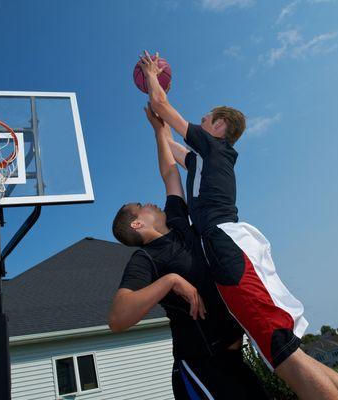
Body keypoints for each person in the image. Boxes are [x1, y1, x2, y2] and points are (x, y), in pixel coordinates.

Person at [138, 50, 338, 400]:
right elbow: (168, 145)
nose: (201, 120)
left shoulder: (214, 148)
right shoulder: (202, 160)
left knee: (280, 353)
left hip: (227, 245)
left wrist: (152, 75)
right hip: (228, 245)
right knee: (287, 351)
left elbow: (163, 104)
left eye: (207, 118)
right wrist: (157, 127)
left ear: (220, 127)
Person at [108, 104, 270, 399]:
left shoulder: (178, 224)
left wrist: (159, 130)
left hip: (234, 359)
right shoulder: (146, 260)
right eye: (143, 204)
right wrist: (170, 281)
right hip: (201, 367)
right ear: (138, 222)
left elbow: (170, 174)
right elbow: (118, 318)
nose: (151, 202)